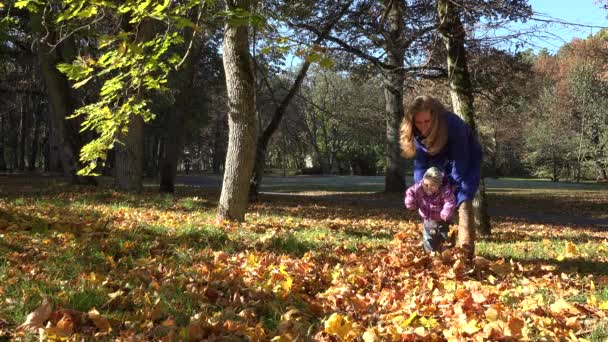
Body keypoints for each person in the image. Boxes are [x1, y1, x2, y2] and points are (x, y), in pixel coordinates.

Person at [400, 95, 482, 258]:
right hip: (435, 162)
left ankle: (466, 254)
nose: (422, 126)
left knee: (462, 200)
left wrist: (450, 187)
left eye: (427, 121)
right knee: (431, 201)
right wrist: (421, 190)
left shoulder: (454, 125)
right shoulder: (417, 133)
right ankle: (436, 249)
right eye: (418, 122)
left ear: (435, 117)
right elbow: (421, 166)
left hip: (464, 160)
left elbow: (460, 162)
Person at [405, 166, 456, 253]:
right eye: (426, 184)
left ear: (439, 185)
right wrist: (410, 202)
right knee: (428, 238)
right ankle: (430, 254)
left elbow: (450, 201)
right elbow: (410, 192)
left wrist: (446, 212)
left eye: (432, 185)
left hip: (443, 220)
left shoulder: (445, 191)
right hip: (428, 219)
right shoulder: (419, 188)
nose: (428, 187)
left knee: (446, 238)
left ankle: (448, 254)